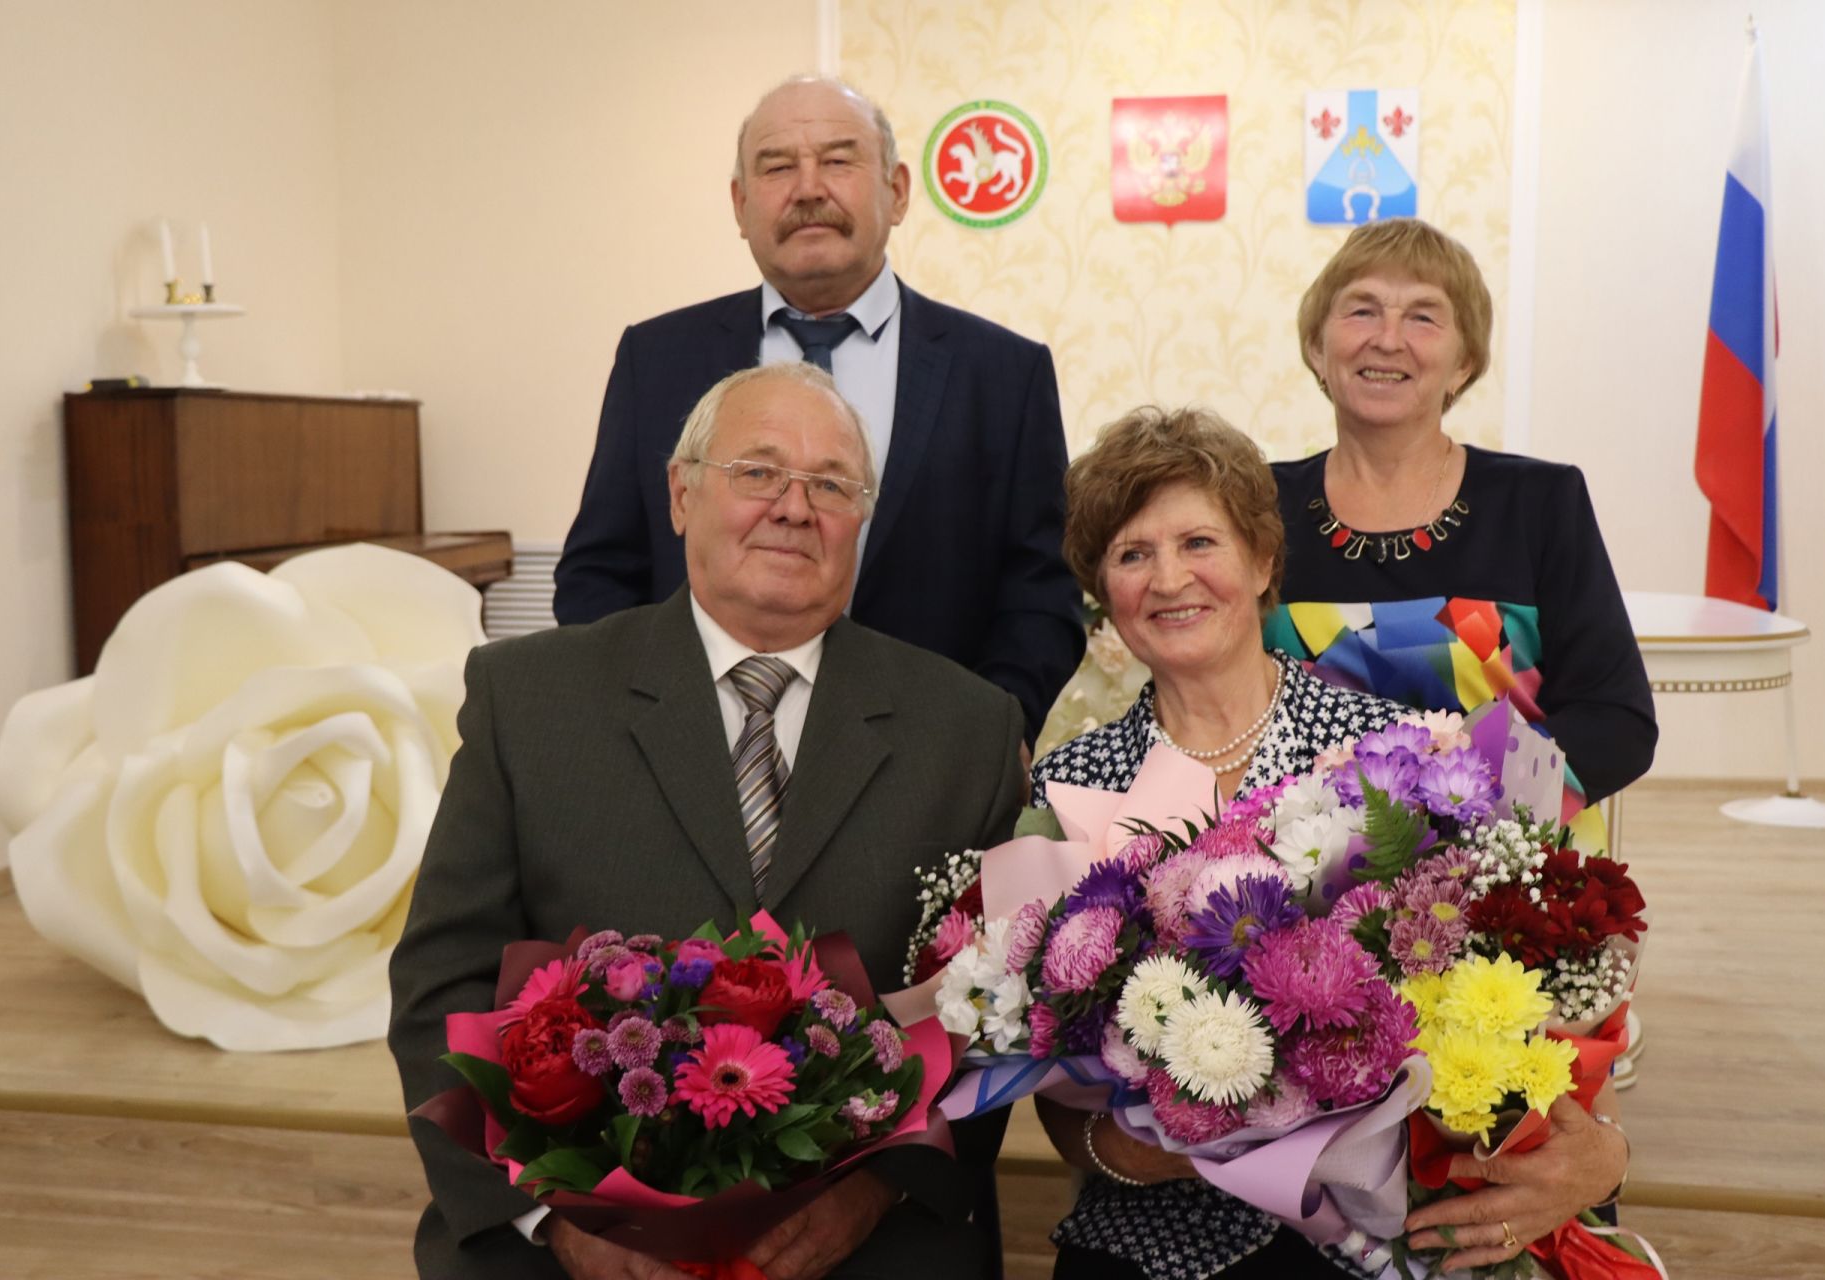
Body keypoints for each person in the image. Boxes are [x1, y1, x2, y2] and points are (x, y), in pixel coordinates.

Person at [390, 363, 1025, 1279]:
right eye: (758, 471)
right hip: (569, 1238)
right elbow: (440, 986)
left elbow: (996, 1011)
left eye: (831, 485)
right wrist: (552, 1223)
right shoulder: (527, 698)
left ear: (862, 519)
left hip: (862, 1242)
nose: (794, 508)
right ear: (682, 494)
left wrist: (875, 1193)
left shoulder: (967, 727)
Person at [550, 75, 1083, 744]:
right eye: (777, 167)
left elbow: (1041, 594)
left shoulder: (1003, 373)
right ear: (740, 205)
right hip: (689, 754)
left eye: (837, 160)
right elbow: (599, 576)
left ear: (896, 191)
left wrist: (979, 741)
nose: (808, 189)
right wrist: (642, 730)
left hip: (928, 759)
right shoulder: (657, 359)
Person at [1026, 405, 1425, 1278]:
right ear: (1103, 590)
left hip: (1355, 1238)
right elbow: (1046, 1053)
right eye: (1132, 555)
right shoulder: (1069, 781)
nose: (1169, 579)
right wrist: (1113, 1150)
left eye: (1199, 542)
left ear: (1262, 560)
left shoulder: (1383, 748)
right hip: (1145, 1239)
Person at [1266, 217, 1656, 812]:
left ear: (1464, 363)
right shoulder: (1258, 508)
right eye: (1362, 311)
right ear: (1318, 348)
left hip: (1510, 850)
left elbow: (1615, 720)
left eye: (1423, 317)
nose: (1388, 339)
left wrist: (1455, 812)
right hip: (1304, 854)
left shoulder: (1541, 501)